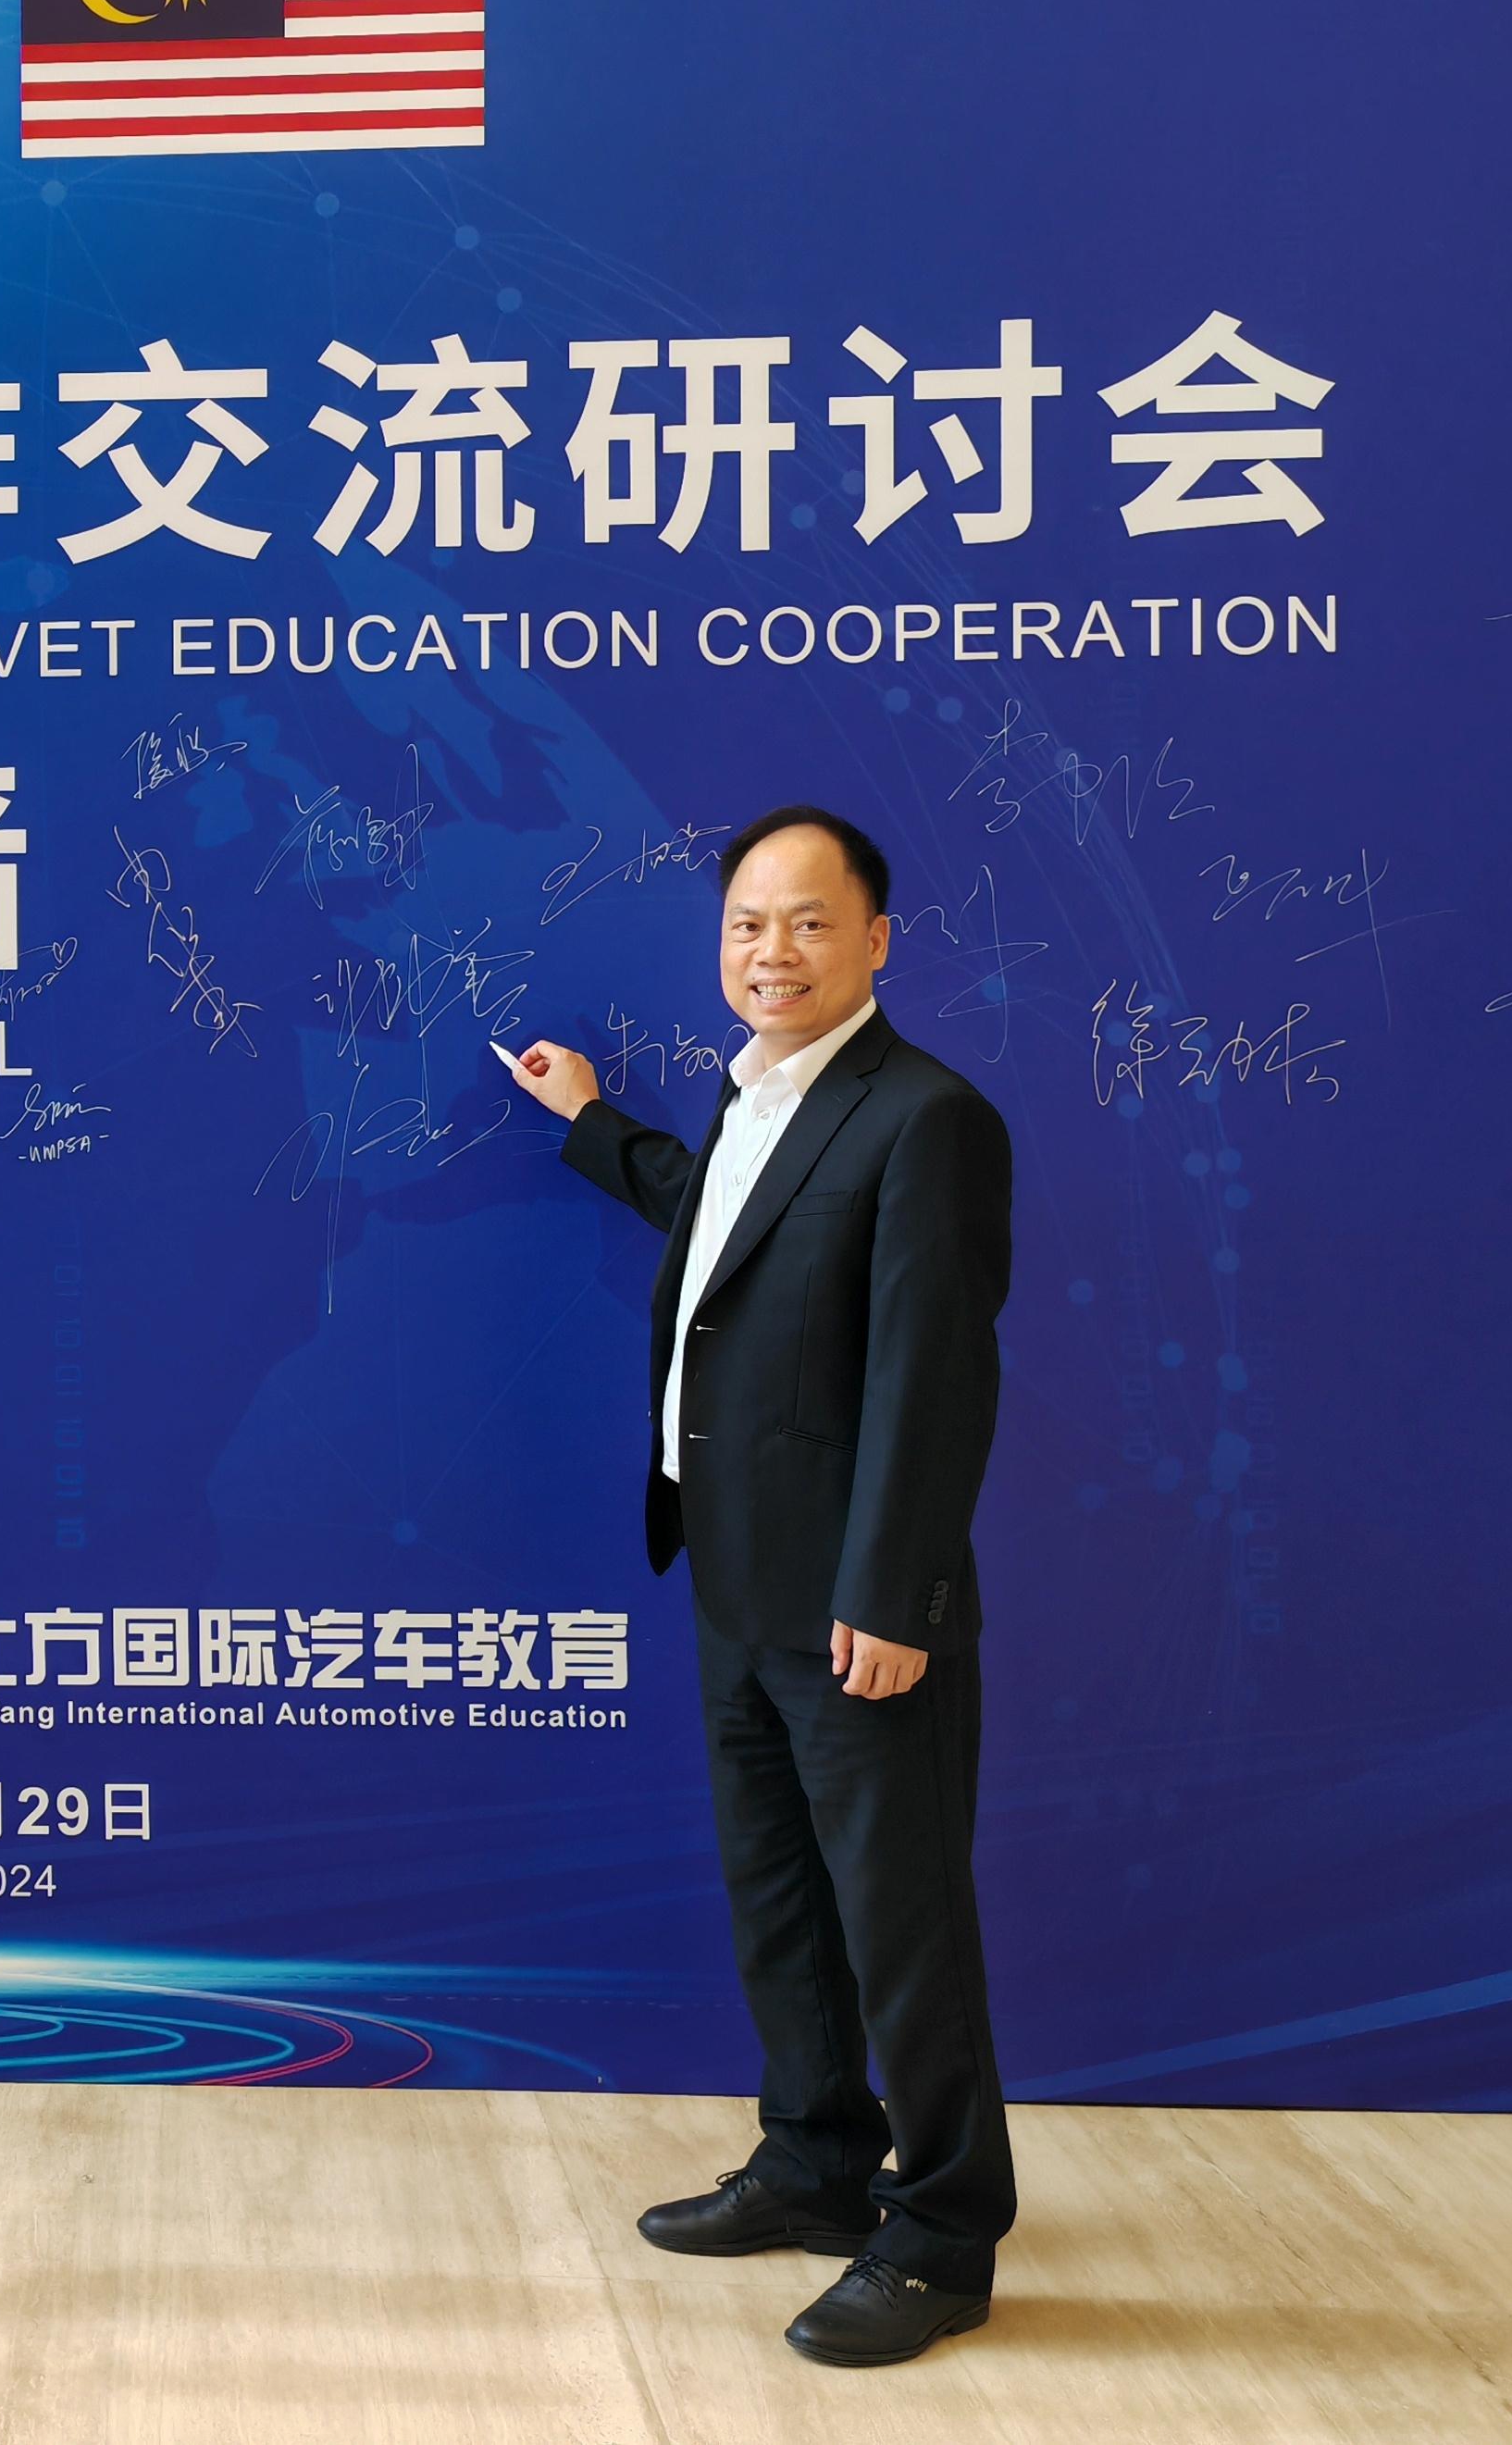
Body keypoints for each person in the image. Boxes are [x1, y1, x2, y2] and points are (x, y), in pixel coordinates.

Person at [508, 804, 1016, 2367]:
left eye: (807, 922)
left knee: (902, 1926)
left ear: (877, 940)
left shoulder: (927, 1118)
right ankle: (813, 2161)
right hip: (734, 1580)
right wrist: (593, 1122)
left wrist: (895, 1595)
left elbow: (937, 1379)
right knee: (780, 1900)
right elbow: (720, 1224)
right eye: (746, 923)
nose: (771, 951)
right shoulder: (755, 1101)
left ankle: (941, 2236)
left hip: (857, 1610)